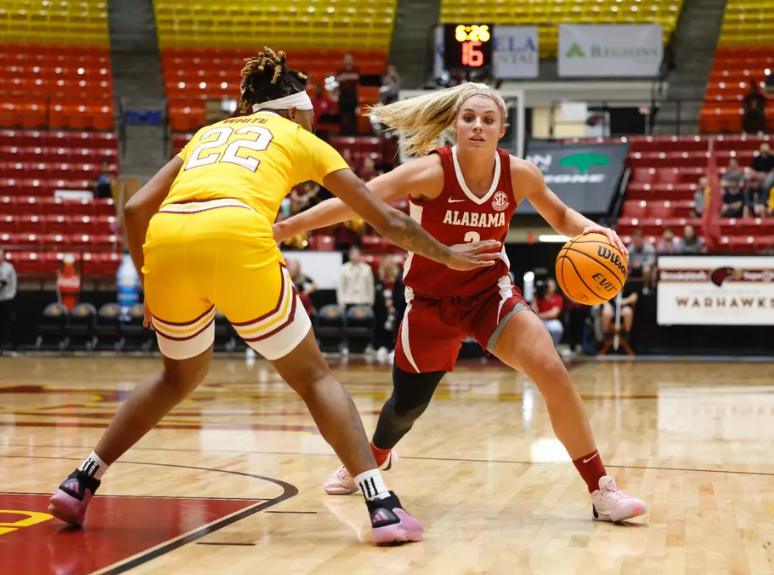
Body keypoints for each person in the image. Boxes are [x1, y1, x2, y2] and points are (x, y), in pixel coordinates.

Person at [46, 48, 501, 546]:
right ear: (294, 111)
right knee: (312, 376)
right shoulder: (298, 137)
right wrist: (449, 256)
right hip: (237, 233)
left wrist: (150, 283)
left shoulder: (208, 133)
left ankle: (81, 480)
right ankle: (381, 505)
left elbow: (134, 209)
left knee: (176, 377)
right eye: (310, 113)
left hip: (168, 242)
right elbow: (388, 219)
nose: (313, 119)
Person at [274, 82, 648, 523]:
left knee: (550, 368)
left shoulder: (520, 174)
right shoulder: (429, 172)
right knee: (405, 408)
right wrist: (283, 230)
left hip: (490, 296)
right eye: (469, 117)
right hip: (429, 304)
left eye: (487, 120)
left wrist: (595, 232)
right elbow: (354, 201)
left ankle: (601, 490)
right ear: (454, 125)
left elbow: (562, 217)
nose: (477, 125)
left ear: (501, 130)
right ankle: (376, 456)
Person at [338, 246, 375, 310]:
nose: (355, 256)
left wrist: (371, 301)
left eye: (356, 253)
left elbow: (370, 286)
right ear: (349, 255)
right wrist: (341, 301)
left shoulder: (367, 268)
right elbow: (341, 286)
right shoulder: (344, 268)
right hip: (348, 300)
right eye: (353, 254)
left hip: (363, 300)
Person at [532, 278, 564, 347]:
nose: (549, 288)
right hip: (540, 320)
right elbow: (533, 311)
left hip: (552, 321)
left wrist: (539, 315)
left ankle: (554, 346)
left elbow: (553, 313)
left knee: (557, 328)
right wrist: (535, 296)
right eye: (547, 286)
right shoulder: (539, 297)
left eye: (551, 286)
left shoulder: (557, 298)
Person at [336, 53, 360, 135]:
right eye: (346, 59)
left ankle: (354, 133)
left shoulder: (355, 69)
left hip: (352, 94)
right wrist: (346, 77)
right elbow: (338, 79)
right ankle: (342, 132)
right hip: (343, 94)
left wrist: (344, 77)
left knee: (353, 114)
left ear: (352, 61)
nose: (348, 61)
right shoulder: (341, 70)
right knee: (342, 113)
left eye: (350, 59)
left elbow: (356, 77)